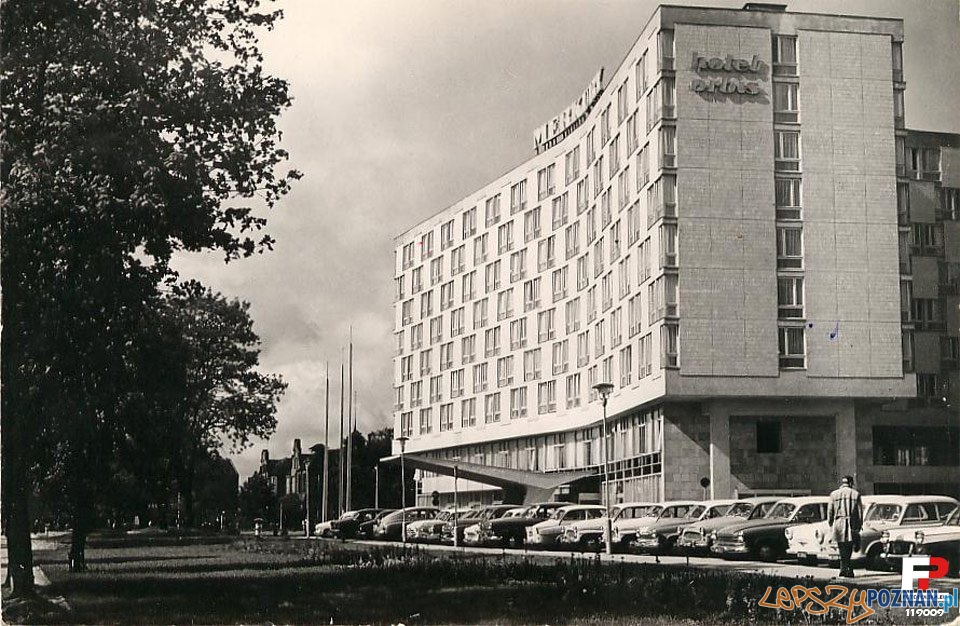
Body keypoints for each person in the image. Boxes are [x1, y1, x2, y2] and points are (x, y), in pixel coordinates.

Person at [826, 475, 863, 578]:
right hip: (851, 523)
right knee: (849, 547)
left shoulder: (833, 494)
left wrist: (830, 522)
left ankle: (844, 569)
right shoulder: (856, 494)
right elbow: (860, 512)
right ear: (851, 483)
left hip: (838, 523)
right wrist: (860, 524)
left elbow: (830, 511)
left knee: (841, 547)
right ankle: (848, 569)